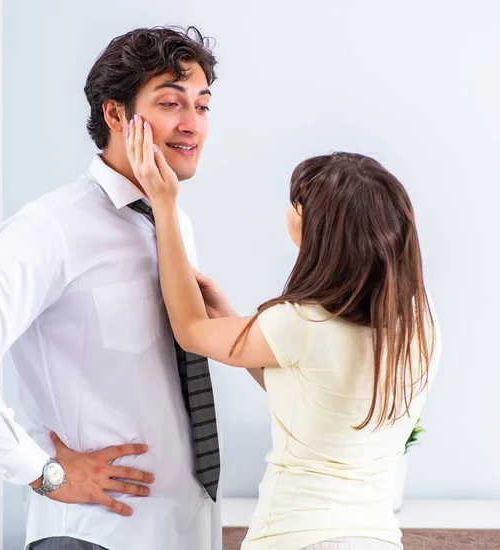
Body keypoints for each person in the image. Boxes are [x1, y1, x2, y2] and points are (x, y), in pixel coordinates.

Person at [0, 26, 223, 550]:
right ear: (116, 115)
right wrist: (44, 473)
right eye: (171, 103)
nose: (192, 124)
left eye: (203, 105)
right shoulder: (50, 229)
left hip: (184, 531)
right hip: (96, 536)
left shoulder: (172, 223)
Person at [125, 120, 441, 550]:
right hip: (377, 539)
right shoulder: (419, 321)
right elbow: (308, 388)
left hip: (297, 537)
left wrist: (164, 205)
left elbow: (190, 330)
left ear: (315, 227)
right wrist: (234, 317)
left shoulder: (300, 322)